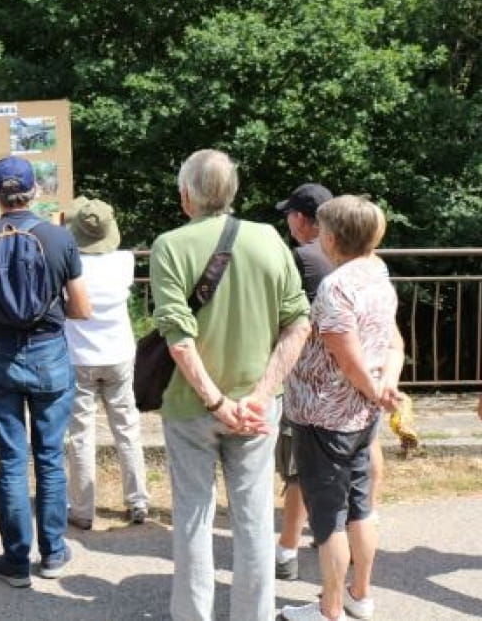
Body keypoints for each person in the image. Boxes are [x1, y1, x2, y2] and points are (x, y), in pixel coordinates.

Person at [150, 149, 310, 621]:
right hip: (257, 407)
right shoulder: (269, 240)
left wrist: (216, 401)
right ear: (234, 192)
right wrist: (259, 396)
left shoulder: (169, 246)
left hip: (190, 405)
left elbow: (178, 340)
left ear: (185, 196)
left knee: (194, 518)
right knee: (255, 519)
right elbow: (299, 321)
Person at [0, 156, 92, 587]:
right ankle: (53, 552)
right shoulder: (58, 238)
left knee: (11, 460)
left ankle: (16, 560)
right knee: (50, 458)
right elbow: (82, 308)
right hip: (50, 354)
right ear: (35, 191)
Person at [280, 196, 405, 621]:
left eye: (322, 229)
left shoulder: (336, 287)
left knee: (329, 518)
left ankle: (329, 610)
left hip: (323, 416)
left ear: (331, 236)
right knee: (360, 507)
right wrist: (386, 385)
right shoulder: (378, 272)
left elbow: (346, 357)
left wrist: (374, 389)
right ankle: (360, 595)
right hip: (360, 416)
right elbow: (392, 341)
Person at [63, 197, 149, 530]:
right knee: (127, 428)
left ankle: (83, 508)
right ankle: (138, 499)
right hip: (119, 354)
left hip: (79, 356)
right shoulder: (124, 261)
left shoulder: (70, 265)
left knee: (81, 432)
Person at [274, 183, 334, 581]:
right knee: (341, 465)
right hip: (347, 377)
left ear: (300, 218)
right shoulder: (356, 257)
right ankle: (330, 533)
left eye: (289, 214)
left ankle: (286, 551)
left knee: (297, 467)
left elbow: (281, 314)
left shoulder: (300, 258)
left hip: (305, 376)